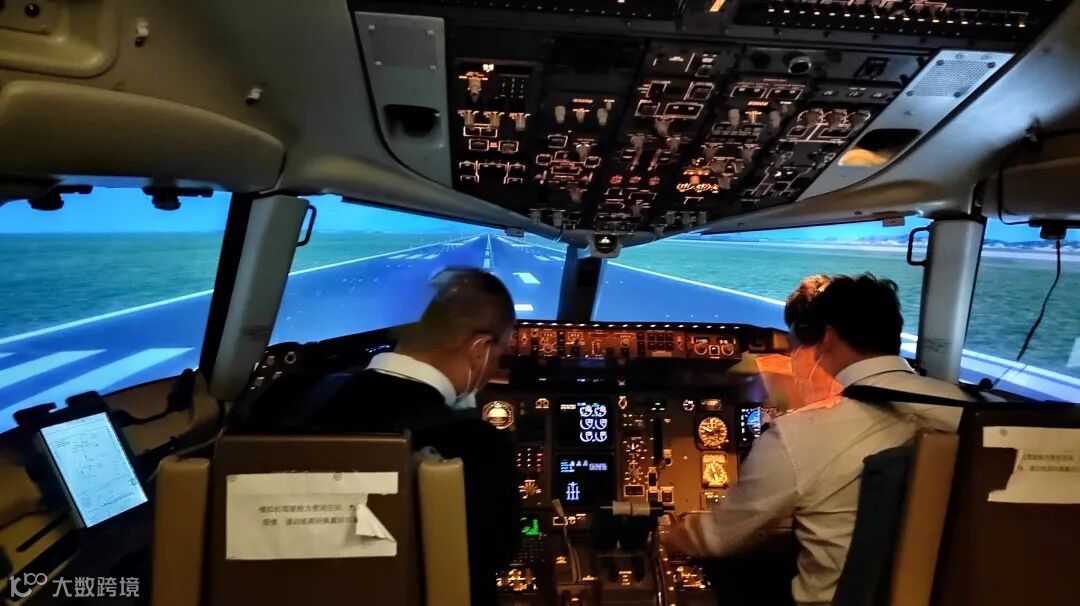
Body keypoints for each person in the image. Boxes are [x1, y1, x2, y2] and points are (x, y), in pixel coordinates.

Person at [661, 273, 970, 606]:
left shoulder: (800, 433)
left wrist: (665, 535)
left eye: (796, 347)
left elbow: (716, 539)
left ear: (827, 338)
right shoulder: (972, 410)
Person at [312, 268, 520, 606]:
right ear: (480, 349)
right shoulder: (476, 445)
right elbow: (497, 553)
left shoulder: (298, 399)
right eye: (501, 353)